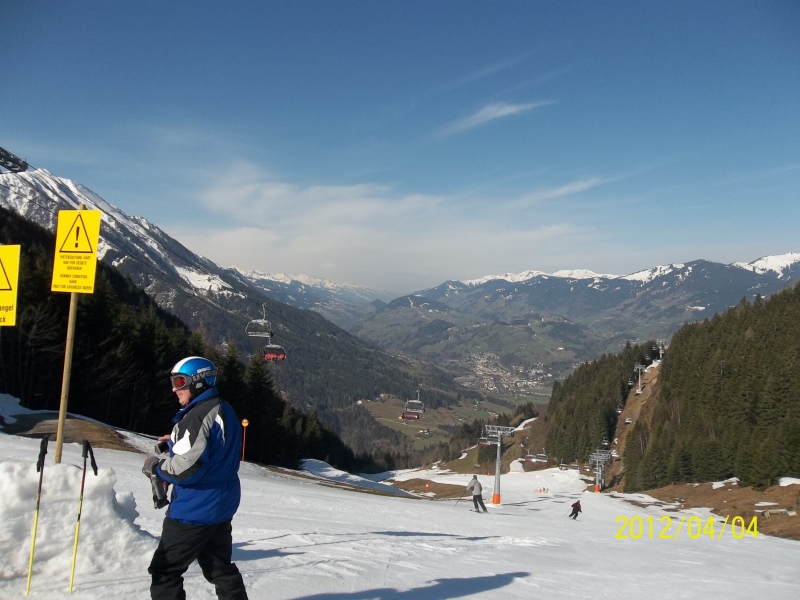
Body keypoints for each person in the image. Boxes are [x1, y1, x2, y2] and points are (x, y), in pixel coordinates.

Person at [143, 356, 249, 600]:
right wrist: (175, 442)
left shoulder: (198, 415)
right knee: (220, 568)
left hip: (194, 511)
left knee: (165, 572)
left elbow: (186, 470)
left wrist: (156, 467)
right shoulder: (223, 408)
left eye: (179, 382)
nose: (174, 389)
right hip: (221, 505)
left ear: (199, 381)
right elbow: (215, 448)